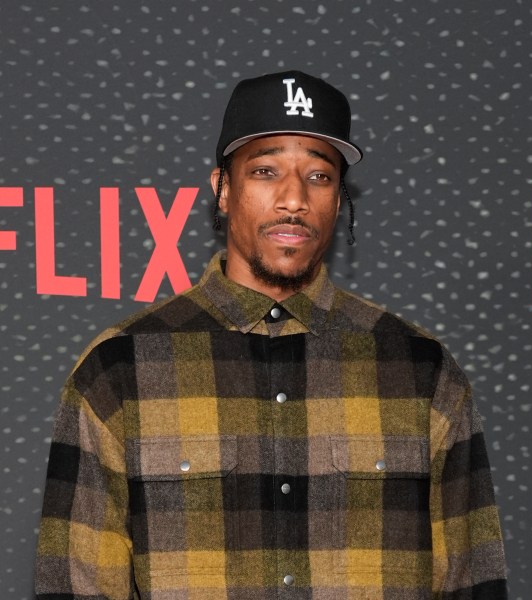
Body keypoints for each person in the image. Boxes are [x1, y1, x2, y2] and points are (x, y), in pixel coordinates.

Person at [36, 70, 507, 599]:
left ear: (338, 197)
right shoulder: (120, 368)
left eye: (318, 176)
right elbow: (74, 587)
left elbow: (473, 581)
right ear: (222, 188)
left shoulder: (422, 370)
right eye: (265, 171)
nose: (293, 199)